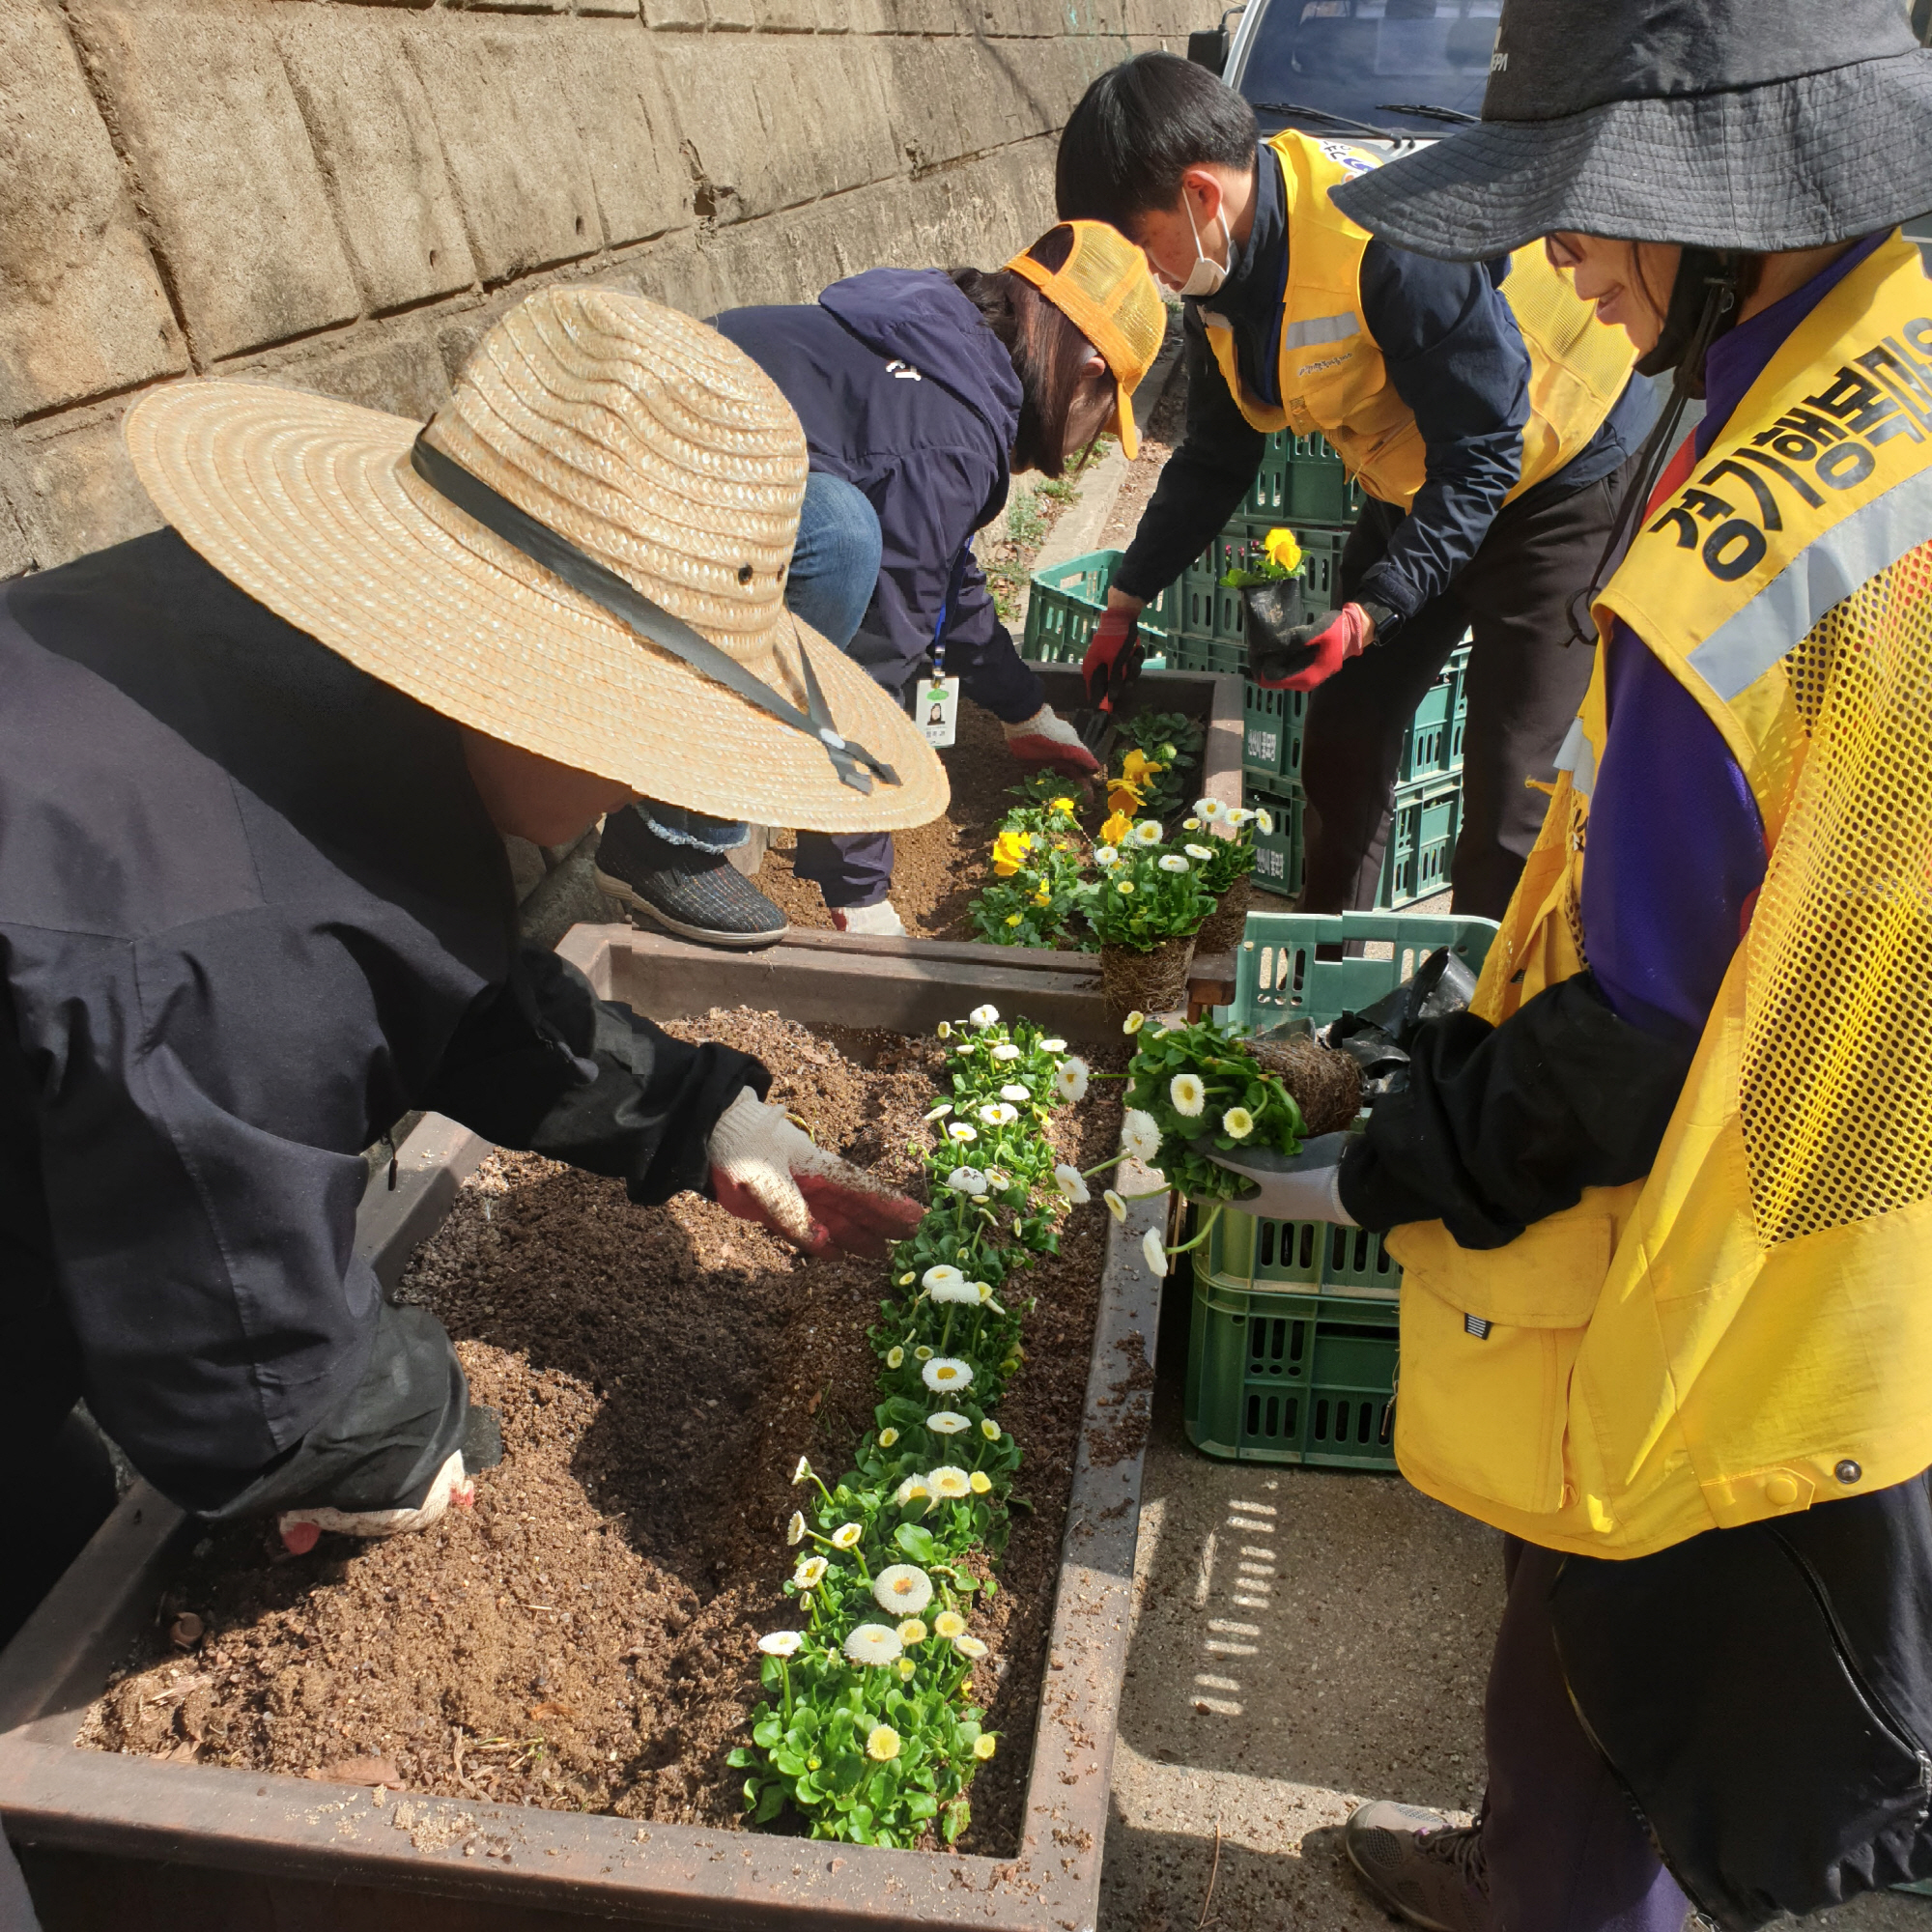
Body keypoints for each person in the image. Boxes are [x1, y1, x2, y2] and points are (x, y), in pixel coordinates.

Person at [1210, 1, 1932, 1925]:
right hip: (1882, 1152)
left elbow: (1644, 1044)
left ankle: (1556, 1889)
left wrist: (1409, 1126)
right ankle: (1529, 1859)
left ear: (1735, 197)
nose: (1563, 261)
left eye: (1595, 207)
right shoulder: (1879, 348)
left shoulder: (1735, 579)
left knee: (1638, 1605)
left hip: (1773, 1245)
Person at [0, 287, 939, 1639]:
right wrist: (406, 1436)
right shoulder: (229, 941)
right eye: (649, 740)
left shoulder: (272, 651)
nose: (632, 796)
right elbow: (248, 1379)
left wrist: (696, 1116)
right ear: (534, 687)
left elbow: (411, 956)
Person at [1054, 53, 1650, 921]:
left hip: (1560, 482)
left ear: (1200, 195)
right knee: (1343, 733)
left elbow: (1485, 452)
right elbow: (1216, 460)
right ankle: (1319, 990)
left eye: (1143, 246)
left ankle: (1470, 1026)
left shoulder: (1388, 242)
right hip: (1420, 479)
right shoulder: (1222, 278)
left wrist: (1375, 610)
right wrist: (1124, 602)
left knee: (1512, 793)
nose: (1148, 276)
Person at [592, 222, 1166, 944]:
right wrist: (859, 892)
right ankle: (665, 838)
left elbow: (940, 573)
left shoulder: (941, 348)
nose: (1087, 440)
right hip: (611, 515)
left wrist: (1024, 712)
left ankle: (682, 818)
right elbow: (872, 660)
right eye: (1104, 419)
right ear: (1086, 370)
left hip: (624, 461)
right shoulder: (949, 436)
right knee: (839, 540)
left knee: (844, 530)